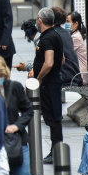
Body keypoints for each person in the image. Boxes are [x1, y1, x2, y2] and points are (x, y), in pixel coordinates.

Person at [31, 8, 64, 164]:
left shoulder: (47, 38)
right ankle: (56, 150)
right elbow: (62, 59)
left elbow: (49, 62)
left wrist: (39, 78)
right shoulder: (56, 35)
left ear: (40, 20)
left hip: (49, 83)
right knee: (53, 117)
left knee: (53, 118)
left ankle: (56, 151)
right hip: (54, 80)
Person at [51, 7, 82, 86]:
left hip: (70, 78)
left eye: (69, 22)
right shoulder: (66, 33)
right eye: (67, 22)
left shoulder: (54, 34)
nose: (67, 24)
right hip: (75, 75)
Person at [66, 11, 88, 85]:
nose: (66, 25)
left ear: (76, 24)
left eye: (68, 22)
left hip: (80, 76)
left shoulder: (75, 37)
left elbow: (65, 53)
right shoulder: (75, 35)